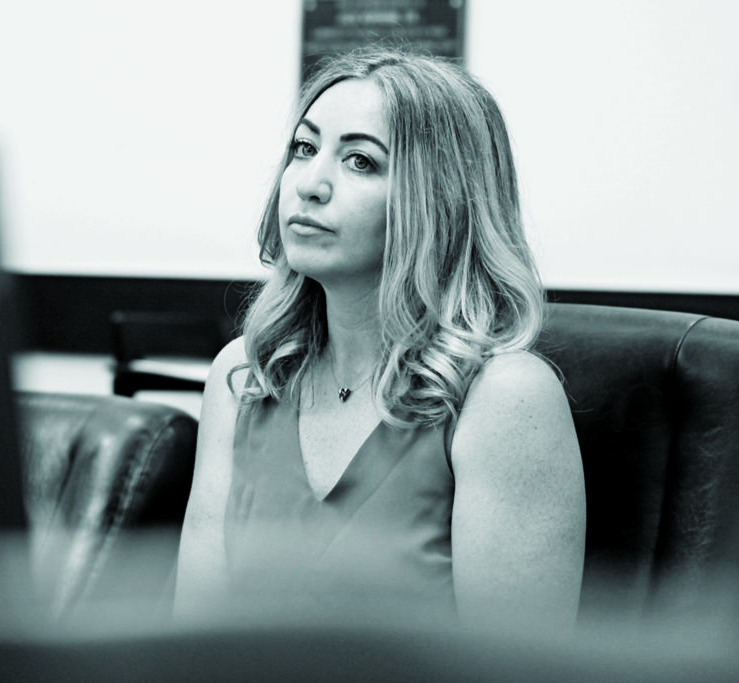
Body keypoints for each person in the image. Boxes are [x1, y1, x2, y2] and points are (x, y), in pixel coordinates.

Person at [174, 49, 586, 633]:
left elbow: (516, 670)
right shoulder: (245, 375)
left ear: (441, 199)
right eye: (304, 148)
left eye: (361, 161)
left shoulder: (506, 399)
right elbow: (188, 644)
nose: (311, 184)